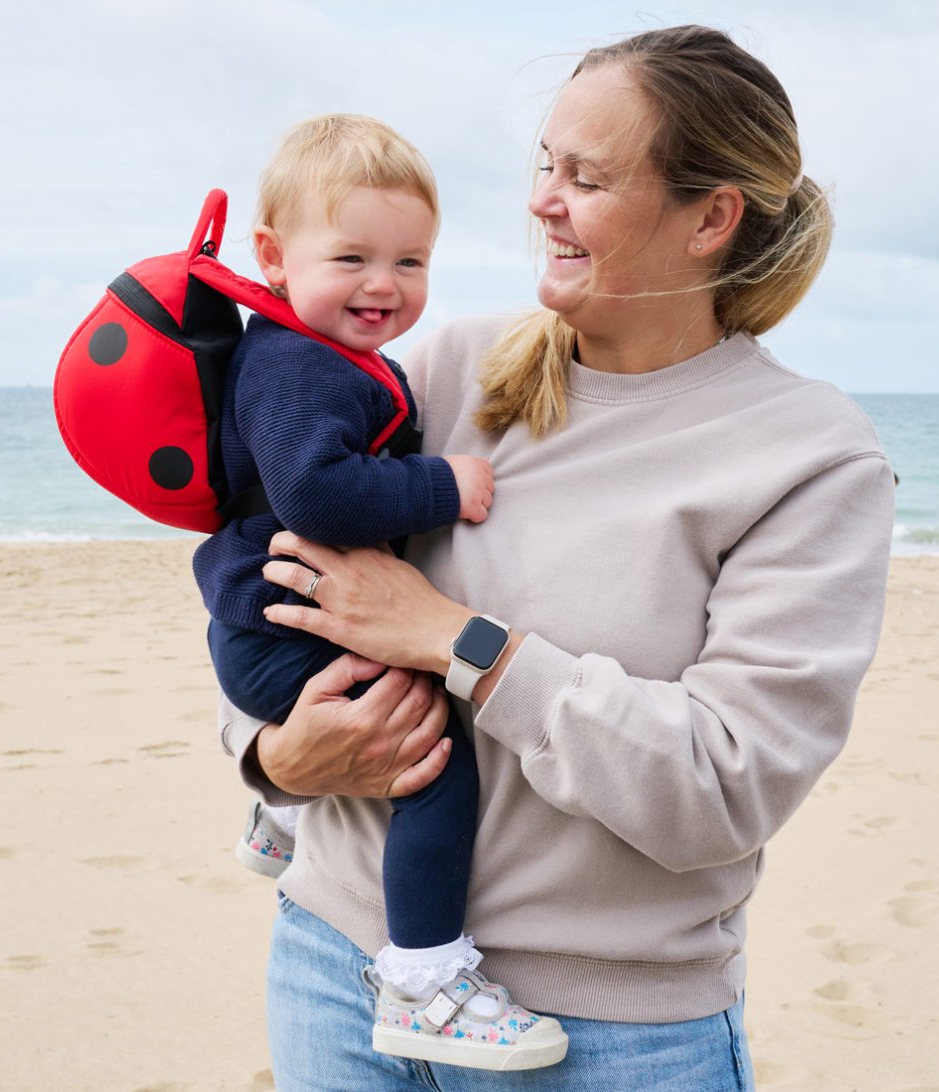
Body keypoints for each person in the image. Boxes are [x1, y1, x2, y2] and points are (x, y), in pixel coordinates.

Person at [221, 25, 895, 1091]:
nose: (543, 200)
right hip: (333, 975)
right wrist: (271, 757)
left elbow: (724, 787)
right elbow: (273, 584)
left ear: (711, 218)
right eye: (546, 165)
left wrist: (460, 644)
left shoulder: (811, 457)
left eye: (587, 176)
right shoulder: (444, 367)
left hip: (608, 1041)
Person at [192, 113, 569, 1071]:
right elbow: (317, 490)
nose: (383, 285)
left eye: (411, 262)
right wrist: (447, 484)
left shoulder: (318, 356)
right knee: (430, 762)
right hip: (286, 633)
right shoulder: (293, 367)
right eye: (352, 256)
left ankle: (279, 819)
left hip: (272, 625)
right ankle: (427, 981)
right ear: (273, 258)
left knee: (384, 738)